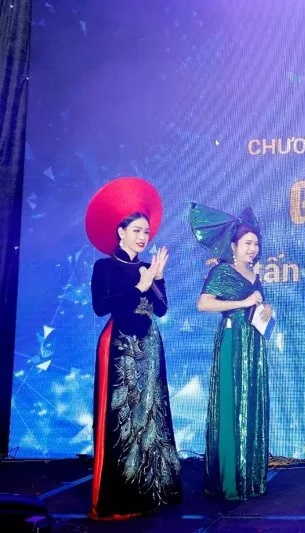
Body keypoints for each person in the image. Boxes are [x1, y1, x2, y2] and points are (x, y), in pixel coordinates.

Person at [85, 177, 182, 520]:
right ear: (121, 232)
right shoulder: (104, 267)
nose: (143, 237)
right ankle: (120, 496)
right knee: (121, 417)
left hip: (150, 346)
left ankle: (150, 488)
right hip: (119, 347)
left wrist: (158, 278)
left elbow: (162, 309)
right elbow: (101, 307)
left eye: (146, 232)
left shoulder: (146, 267)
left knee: (151, 413)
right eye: (137, 230)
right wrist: (139, 286)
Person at [190, 203, 273, 500]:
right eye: (247, 244)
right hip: (232, 341)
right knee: (231, 403)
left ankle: (249, 476)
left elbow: (255, 306)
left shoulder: (253, 274)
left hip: (253, 343)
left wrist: (265, 310)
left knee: (250, 403)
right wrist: (244, 303)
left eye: (256, 244)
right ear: (234, 246)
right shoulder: (222, 270)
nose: (253, 249)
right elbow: (204, 304)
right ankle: (229, 480)